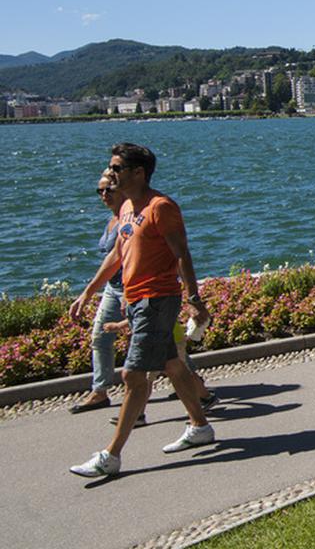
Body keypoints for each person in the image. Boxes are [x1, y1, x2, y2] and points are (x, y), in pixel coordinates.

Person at [67, 143, 216, 477]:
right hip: (135, 300)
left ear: (138, 172)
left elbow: (182, 254)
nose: (111, 174)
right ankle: (200, 426)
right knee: (173, 366)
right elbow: (119, 255)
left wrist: (193, 299)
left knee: (133, 376)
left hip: (157, 299)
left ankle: (111, 455)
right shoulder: (126, 209)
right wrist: (89, 291)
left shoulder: (160, 207)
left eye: (117, 168)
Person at [67, 172, 126, 415]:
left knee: (162, 342)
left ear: (122, 189)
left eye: (108, 190)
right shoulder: (112, 219)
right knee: (100, 337)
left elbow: (116, 258)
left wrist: (88, 293)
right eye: (99, 191)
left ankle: (192, 382)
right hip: (113, 288)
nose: (103, 195)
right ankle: (100, 391)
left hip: (130, 289)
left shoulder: (128, 220)